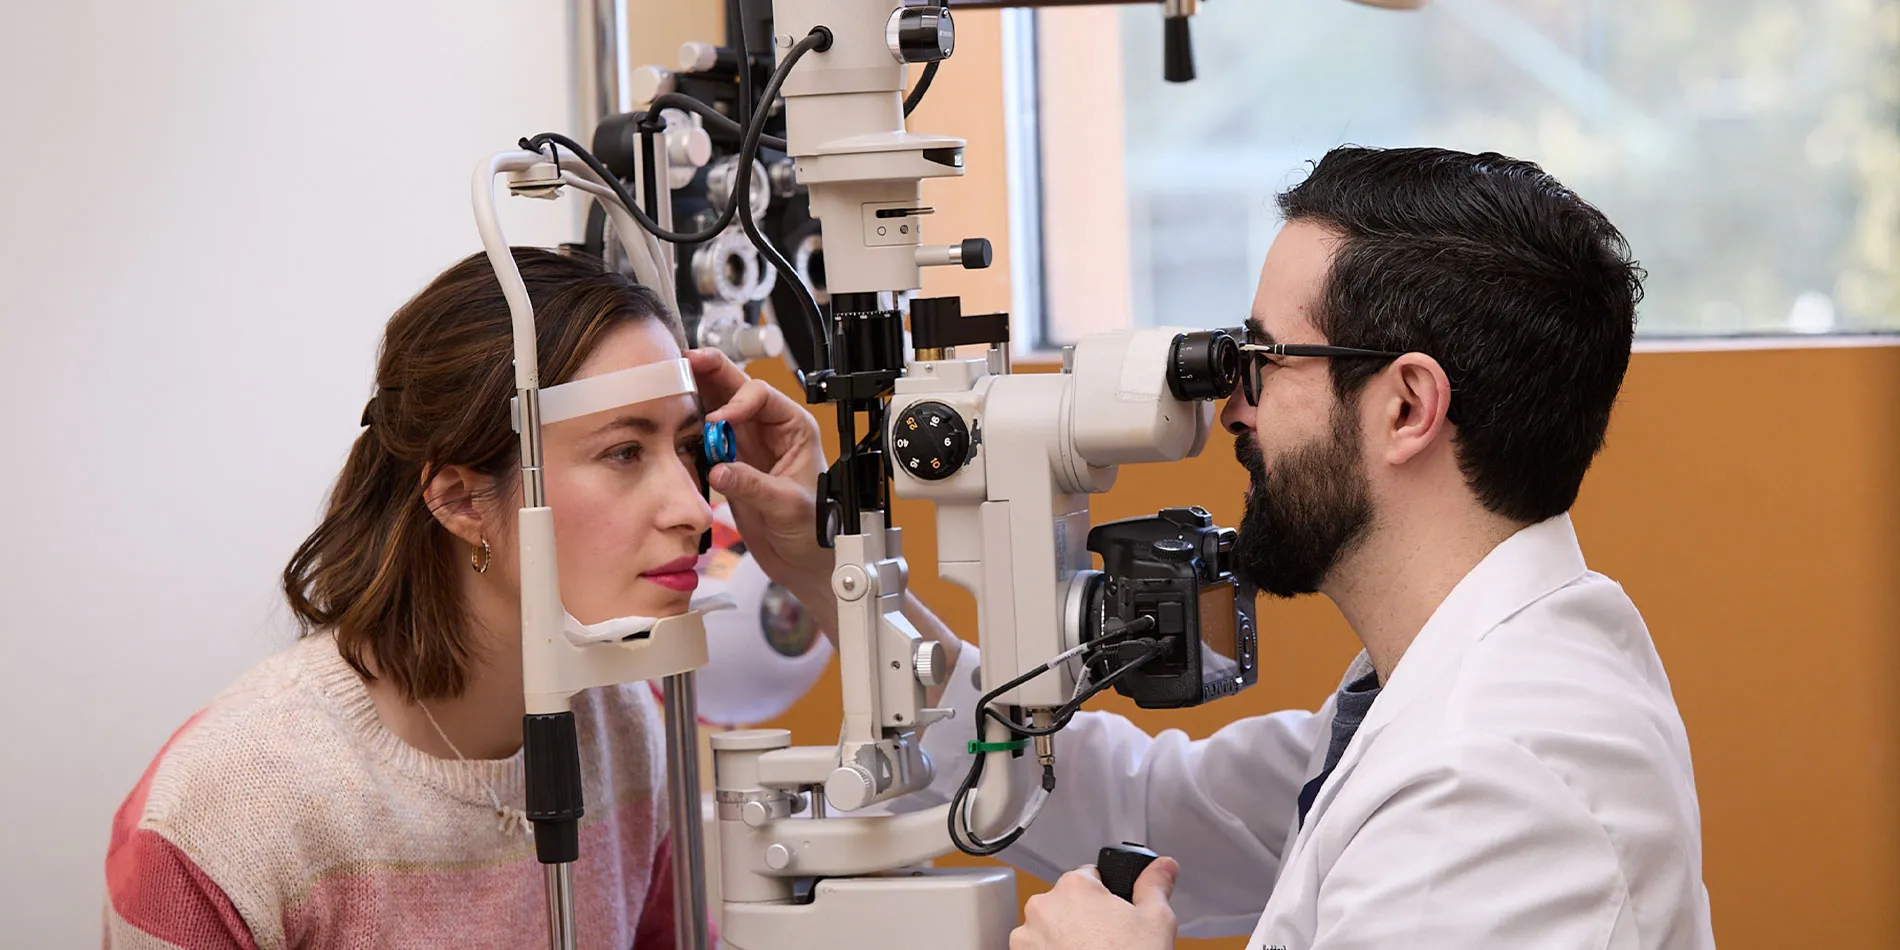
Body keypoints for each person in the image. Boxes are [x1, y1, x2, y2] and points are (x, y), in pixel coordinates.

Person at [688, 146, 1716, 949]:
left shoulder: (1488, 779)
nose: (1232, 403)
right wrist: (832, 574)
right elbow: (1136, 801)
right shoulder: (1446, 691)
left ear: (1406, 403)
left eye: (1263, 360)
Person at [101, 247, 843, 948]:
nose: (692, 508)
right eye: (624, 451)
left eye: (688, 448)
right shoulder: (226, 813)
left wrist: (817, 561)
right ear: (459, 501)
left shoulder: (622, 732)